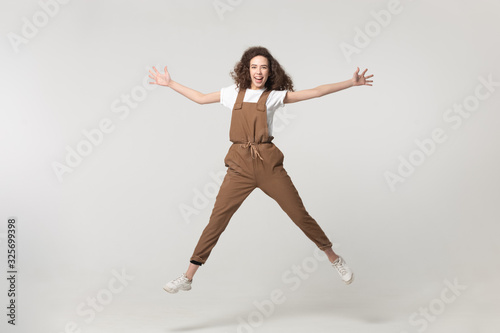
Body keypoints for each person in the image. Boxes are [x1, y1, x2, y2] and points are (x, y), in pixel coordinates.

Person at [148, 46, 373, 293]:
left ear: (270, 71)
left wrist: (350, 83)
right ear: (246, 69)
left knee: (299, 214)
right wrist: (170, 84)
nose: (258, 71)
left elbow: (316, 92)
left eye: (263, 67)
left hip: (268, 164)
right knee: (217, 220)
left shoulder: (274, 96)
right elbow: (201, 98)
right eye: (254, 66)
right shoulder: (234, 93)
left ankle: (334, 258)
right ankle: (188, 276)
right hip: (239, 166)